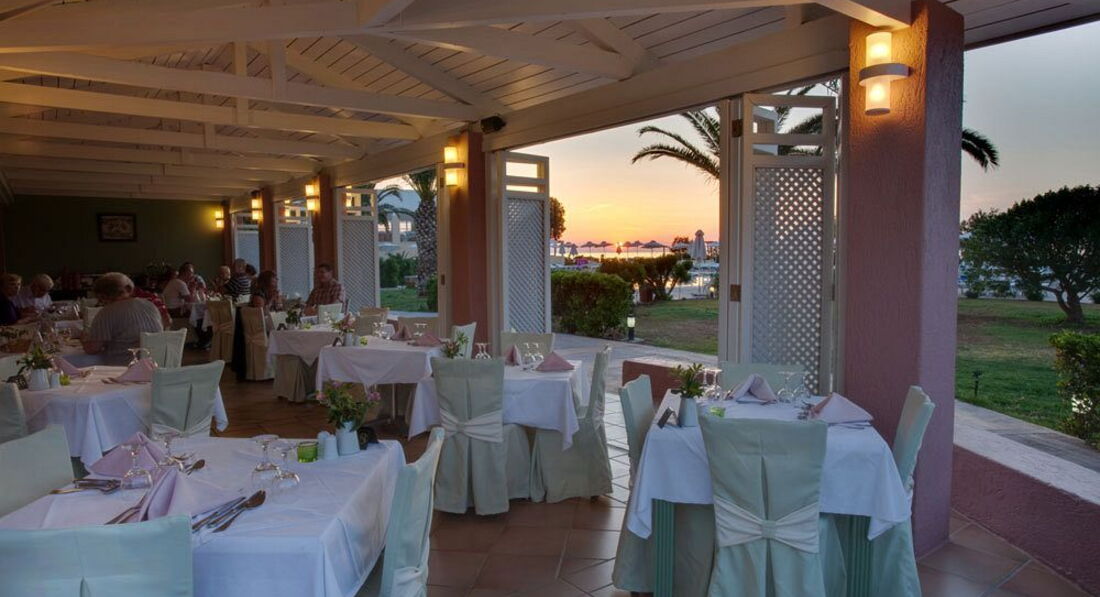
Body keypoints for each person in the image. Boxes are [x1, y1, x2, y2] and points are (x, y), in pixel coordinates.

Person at [82, 272, 163, 365]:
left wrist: (84, 339)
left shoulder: (107, 312)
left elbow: (92, 349)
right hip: (155, 364)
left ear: (101, 295)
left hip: (123, 367)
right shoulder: (150, 305)